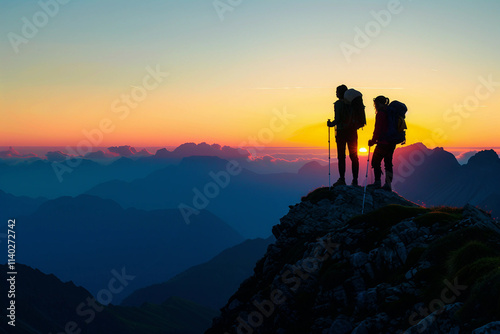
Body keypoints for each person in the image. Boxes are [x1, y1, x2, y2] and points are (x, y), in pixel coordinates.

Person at [327, 85, 359, 186]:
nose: (336, 93)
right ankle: (355, 180)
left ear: (341, 93)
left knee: (341, 157)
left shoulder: (338, 104)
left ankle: (342, 179)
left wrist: (330, 124)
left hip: (341, 133)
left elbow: (337, 119)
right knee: (354, 157)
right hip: (353, 133)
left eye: (337, 91)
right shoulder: (353, 104)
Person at [368, 95, 396, 191]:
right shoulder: (390, 112)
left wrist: (372, 141)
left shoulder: (380, 114)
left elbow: (378, 129)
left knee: (375, 162)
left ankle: (377, 182)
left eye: (375, 104)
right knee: (388, 163)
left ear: (379, 103)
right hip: (391, 142)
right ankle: (388, 184)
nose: (375, 106)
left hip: (383, 143)